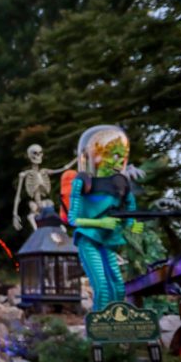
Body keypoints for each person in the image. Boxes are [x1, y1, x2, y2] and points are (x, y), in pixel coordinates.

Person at [67, 126, 143, 311]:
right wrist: (100, 222)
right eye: (113, 155)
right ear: (97, 155)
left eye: (121, 156)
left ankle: (117, 326)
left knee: (117, 286)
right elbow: (73, 219)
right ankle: (99, 332)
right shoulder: (84, 181)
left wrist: (132, 224)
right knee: (102, 287)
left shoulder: (121, 183)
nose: (118, 161)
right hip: (89, 238)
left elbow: (130, 209)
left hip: (109, 240)